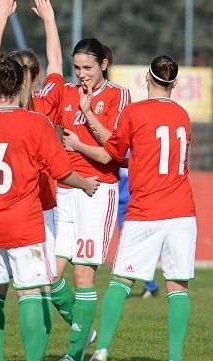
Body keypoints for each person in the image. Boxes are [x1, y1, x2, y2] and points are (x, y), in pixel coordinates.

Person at [0, 54, 99, 361]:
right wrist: (86, 184)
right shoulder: (36, 123)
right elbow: (62, 172)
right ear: (23, 83)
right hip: (23, 225)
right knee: (31, 293)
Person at [64, 55, 196, 361]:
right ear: (173, 83)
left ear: (147, 79)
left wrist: (81, 134)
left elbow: (111, 152)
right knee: (178, 287)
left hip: (146, 210)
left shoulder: (134, 112)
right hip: (182, 212)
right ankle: (175, 357)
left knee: (121, 280)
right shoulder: (183, 116)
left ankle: (102, 349)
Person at [0, 0, 66, 358]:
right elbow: (58, 65)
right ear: (38, 76)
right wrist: (49, 19)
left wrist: (0, 17)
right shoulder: (44, 108)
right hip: (36, 210)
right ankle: (74, 332)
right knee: (37, 290)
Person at [50, 38, 130, 361]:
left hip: (97, 190)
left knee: (83, 274)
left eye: (88, 67)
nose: (81, 74)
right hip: (65, 189)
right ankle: (84, 331)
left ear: (103, 65)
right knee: (48, 275)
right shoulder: (67, 92)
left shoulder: (117, 95)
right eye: (77, 67)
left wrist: (85, 119)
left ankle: (73, 354)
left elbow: (113, 150)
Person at [118, 166, 160, 299]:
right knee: (130, 246)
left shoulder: (134, 149)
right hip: (123, 202)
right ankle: (150, 284)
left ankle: (149, 284)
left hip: (133, 202)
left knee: (131, 246)